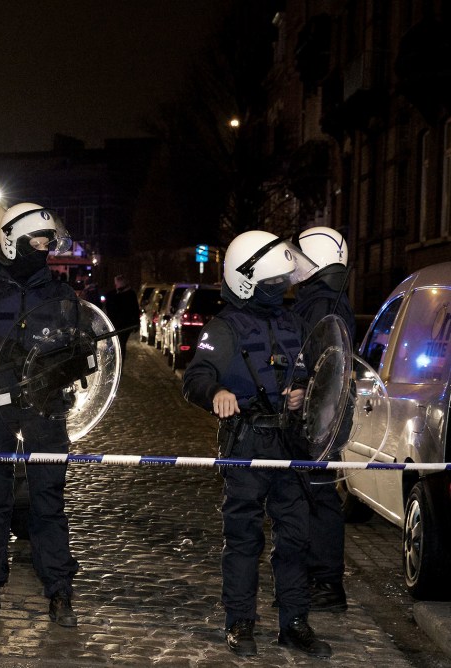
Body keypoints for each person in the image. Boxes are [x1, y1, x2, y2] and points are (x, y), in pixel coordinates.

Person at [182, 230, 332, 659]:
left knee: (296, 538)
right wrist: (215, 394)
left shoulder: (294, 323)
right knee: (244, 538)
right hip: (247, 443)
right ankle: (240, 622)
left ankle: (295, 622)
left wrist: (305, 390)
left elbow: (318, 373)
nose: (281, 289)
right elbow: (195, 378)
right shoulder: (224, 328)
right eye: (272, 284)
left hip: (291, 445)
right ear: (246, 280)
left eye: (283, 282)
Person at [0, 202, 80, 627]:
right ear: (12, 242)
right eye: (36, 242)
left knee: (48, 502)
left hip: (45, 410)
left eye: (48, 242)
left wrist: (63, 360)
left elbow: (81, 349)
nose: (44, 249)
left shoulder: (62, 295)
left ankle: (60, 594)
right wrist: (9, 348)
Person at [293, 226, 355, 613]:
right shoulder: (325, 299)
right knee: (312, 496)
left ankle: (327, 583)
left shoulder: (321, 304)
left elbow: (319, 362)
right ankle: (318, 577)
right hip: (325, 415)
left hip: (320, 417)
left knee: (318, 498)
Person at [103, 274, 140, 359]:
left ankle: (118, 362)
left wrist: (136, 323)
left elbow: (134, 309)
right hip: (116, 324)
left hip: (123, 325)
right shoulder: (113, 294)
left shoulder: (129, 294)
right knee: (115, 345)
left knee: (121, 344)